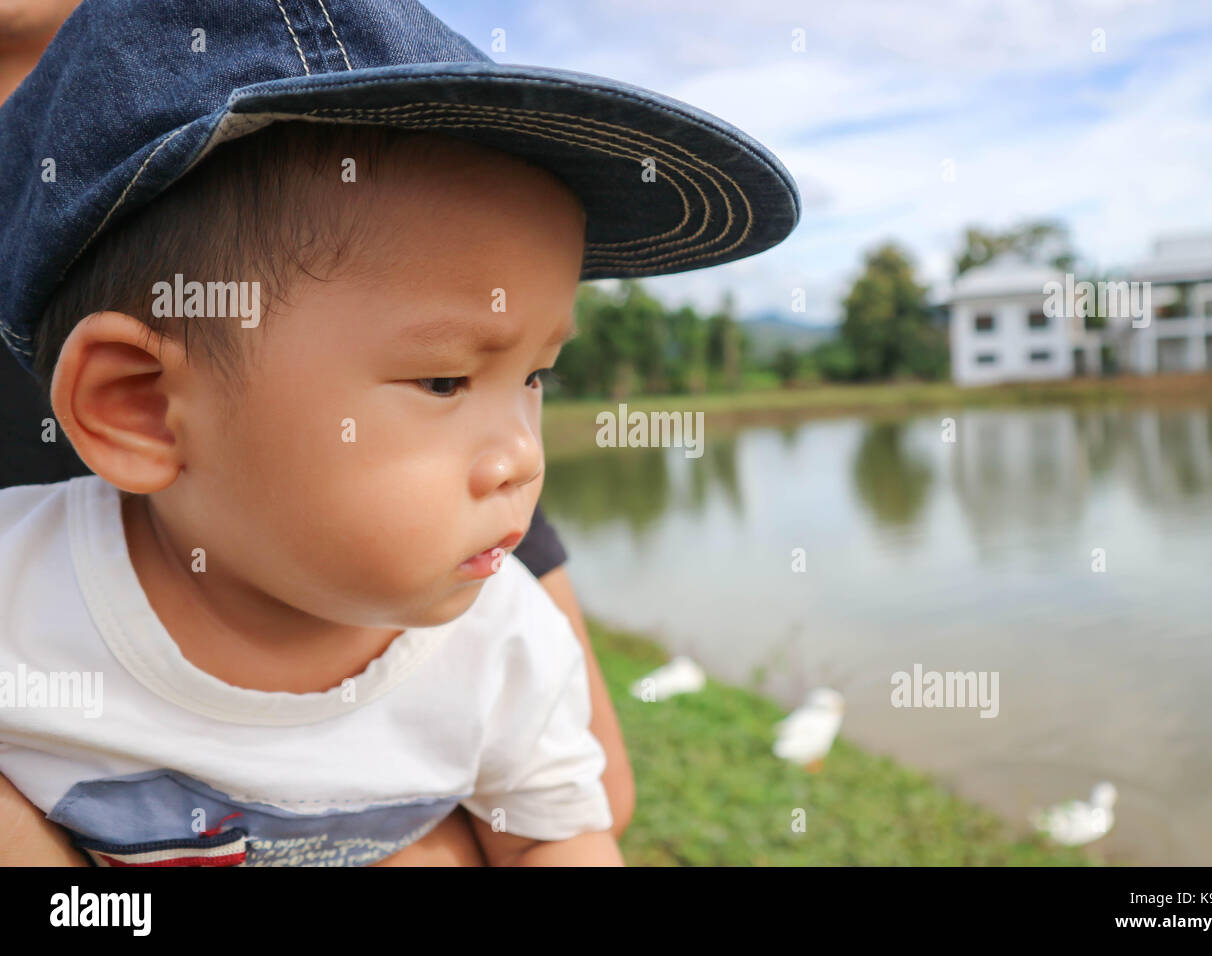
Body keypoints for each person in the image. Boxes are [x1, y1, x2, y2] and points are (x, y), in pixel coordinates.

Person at [0, 0, 799, 865]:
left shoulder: (505, 647)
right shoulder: (22, 598)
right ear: (144, 406)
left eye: (534, 376)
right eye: (445, 379)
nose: (524, 458)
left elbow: (557, 835)